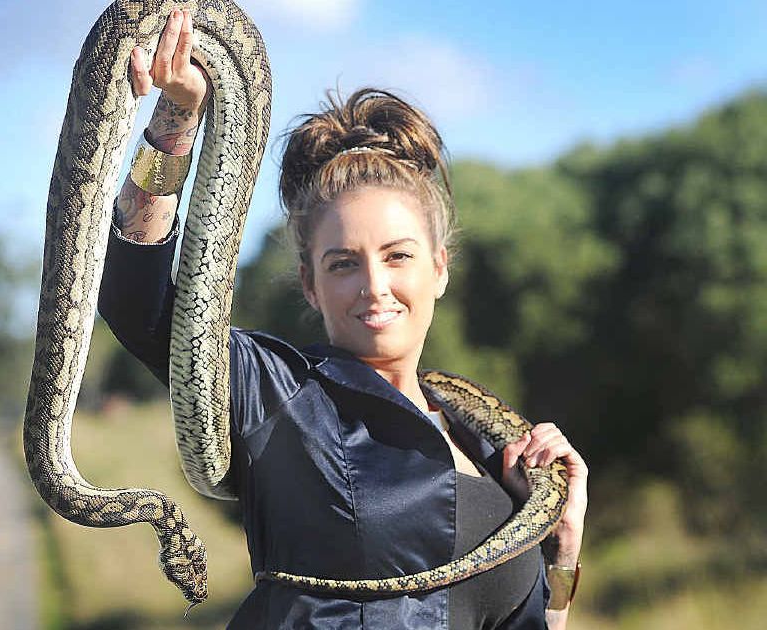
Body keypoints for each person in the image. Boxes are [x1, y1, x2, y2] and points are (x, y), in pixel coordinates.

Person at [99, 9, 588, 629]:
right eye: (343, 264)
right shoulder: (279, 393)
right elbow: (134, 300)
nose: (374, 287)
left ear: (439, 268)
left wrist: (562, 547)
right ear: (310, 284)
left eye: (397, 256)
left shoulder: (495, 451)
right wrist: (176, 122)